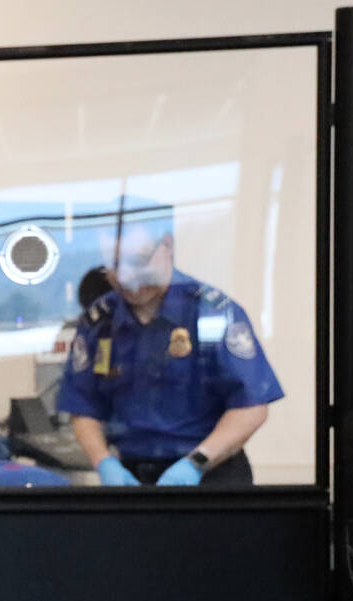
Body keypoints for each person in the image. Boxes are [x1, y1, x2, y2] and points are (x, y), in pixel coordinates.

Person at [58, 200, 283, 487]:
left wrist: (195, 464)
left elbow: (251, 407)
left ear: (166, 246)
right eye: (114, 266)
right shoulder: (99, 321)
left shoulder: (211, 312)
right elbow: (83, 407)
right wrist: (104, 463)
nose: (128, 279)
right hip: (129, 475)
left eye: (138, 262)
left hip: (208, 472)